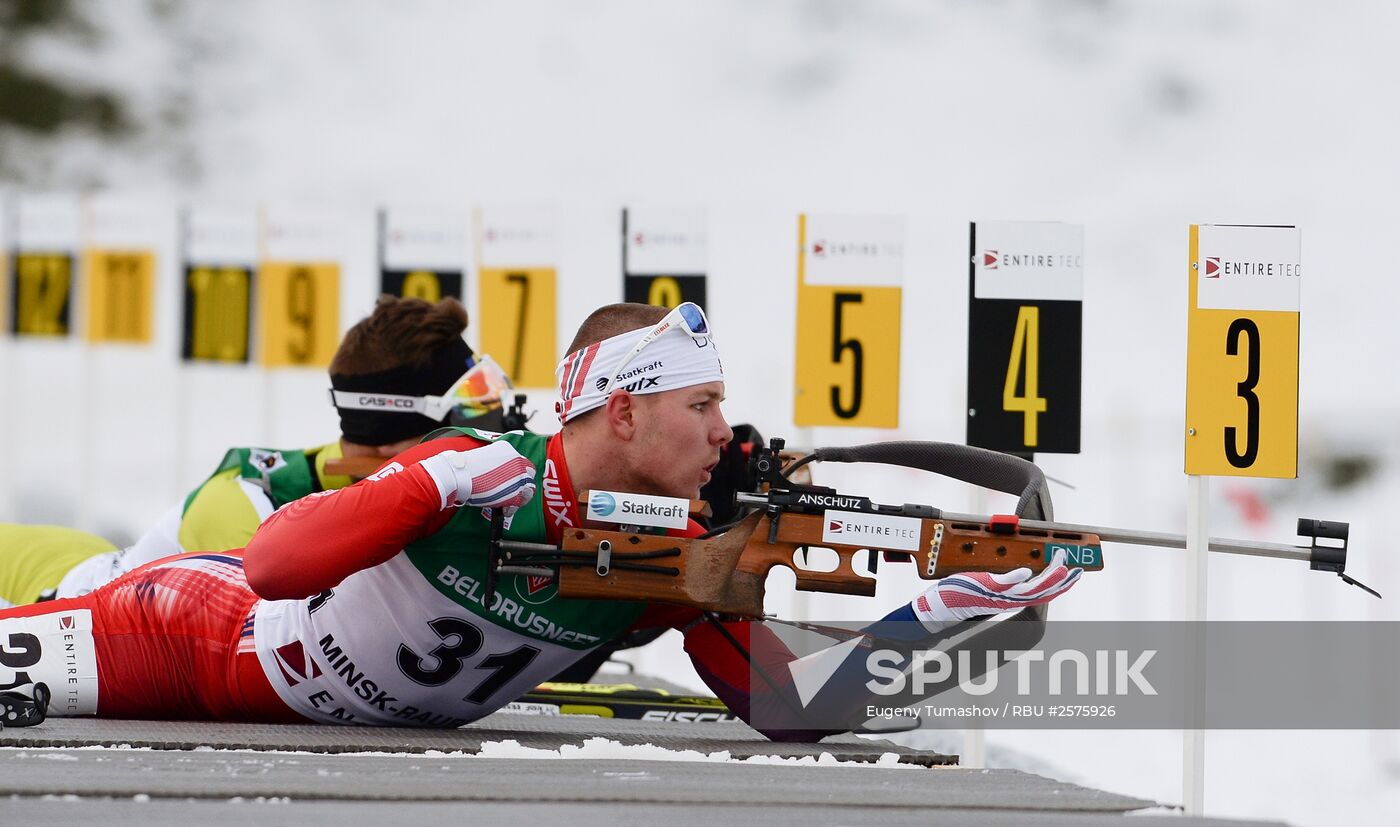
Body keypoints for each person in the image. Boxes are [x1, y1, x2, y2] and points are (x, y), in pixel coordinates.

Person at [0, 302, 1080, 737]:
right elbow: (274, 564)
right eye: (700, 405)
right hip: (187, 636)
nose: (724, 431)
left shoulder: (672, 554)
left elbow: (793, 705)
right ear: (624, 410)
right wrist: (426, 492)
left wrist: (939, 614)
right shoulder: (479, 469)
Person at [0, 295, 518, 606]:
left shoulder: (379, 472)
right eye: (470, 409)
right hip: (30, 588)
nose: (492, 431)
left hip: (70, 555)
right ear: (390, 434)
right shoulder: (245, 510)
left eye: (489, 397)